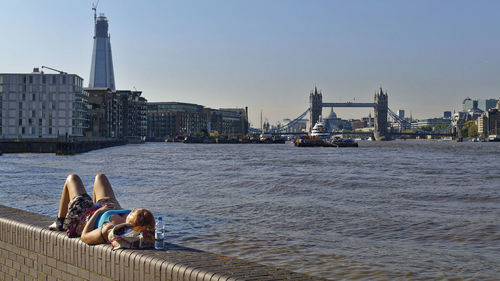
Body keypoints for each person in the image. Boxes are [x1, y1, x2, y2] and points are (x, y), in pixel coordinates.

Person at [49, 173, 155, 245]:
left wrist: (98, 212)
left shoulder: (110, 228)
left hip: (85, 214)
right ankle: (96, 204)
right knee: (100, 177)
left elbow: (85, 237)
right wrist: (117, 208)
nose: (133, 209)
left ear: (134, 222)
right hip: (107, 205)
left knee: (72, 178)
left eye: (134, 212)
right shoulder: (130, 220)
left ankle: (60, 222)